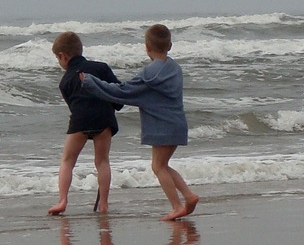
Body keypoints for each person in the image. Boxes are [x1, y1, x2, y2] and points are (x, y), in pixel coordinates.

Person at [80, 24, 200, 220]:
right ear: (170, 45)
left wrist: (91, 82)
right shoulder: (175, 69)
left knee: (158, 167)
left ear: (146, 47)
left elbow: (121, 91)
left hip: (162, 127)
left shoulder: (149, 74)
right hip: (178, 124)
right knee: (163, 165)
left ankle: (178, 205)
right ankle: (189, 195)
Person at [49, 31, 121, 215]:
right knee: (102, 161)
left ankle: (62, 200)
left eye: (58, 60)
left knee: (67, 161)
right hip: (104, 119)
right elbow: (117, 94)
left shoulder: (65, 81)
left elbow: (73, 106)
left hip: (80, 120)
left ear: (62, 56)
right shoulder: (101, 68)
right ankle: (103, 203)